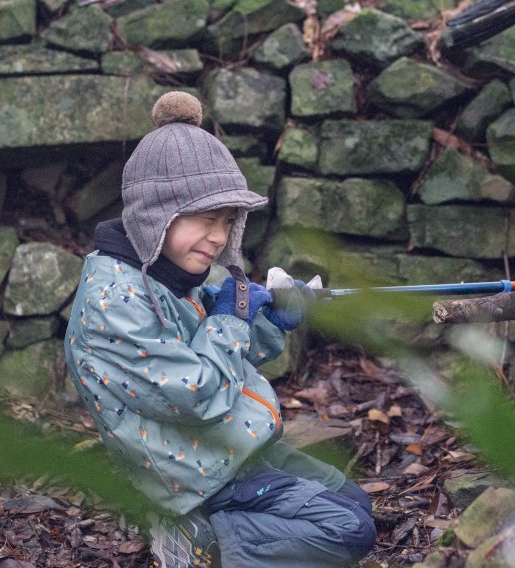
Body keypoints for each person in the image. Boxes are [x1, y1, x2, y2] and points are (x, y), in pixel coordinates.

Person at [64, 91, 376, 568]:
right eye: (207, 220)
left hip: (228, 452)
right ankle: (198, 539)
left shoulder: (165, 274)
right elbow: (196, 391)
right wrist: (230, 318)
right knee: (347, 529)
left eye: (228, 222)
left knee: (354, 502)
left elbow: (220, 359)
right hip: (194, 477)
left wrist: (269, 322)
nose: (219, 237)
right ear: (155, 214)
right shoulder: (116, 303)